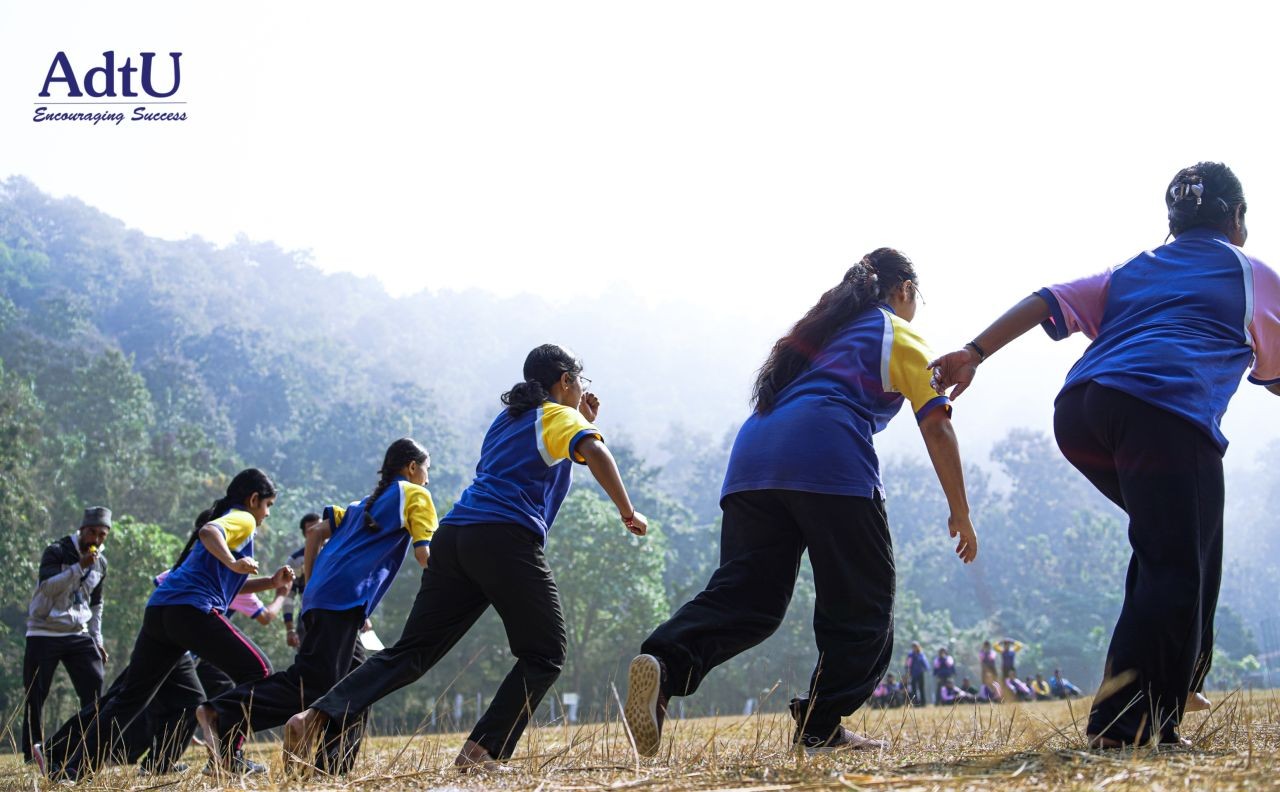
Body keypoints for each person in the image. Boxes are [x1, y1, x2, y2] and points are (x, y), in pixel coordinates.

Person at [930, 162, 1280, 746]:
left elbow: (1047, 300)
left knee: (1183, 539)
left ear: (1173, 222)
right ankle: (1127, 726)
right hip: (1163, 412)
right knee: (1174, 556)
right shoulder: (1253, 276)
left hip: (1083, 411)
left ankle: (1180, 674)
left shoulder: (1135, 270)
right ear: (1238, 219)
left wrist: (974, 351)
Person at [623, 249, 978, 757]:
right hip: (825, 453)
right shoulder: (895, 331)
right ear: (904, 291)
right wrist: (960, 510)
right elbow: (937, 422)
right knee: (863, 602)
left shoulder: (819, 336)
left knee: (751, 598)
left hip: (753, 458)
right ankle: (820, 727)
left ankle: (664, 662)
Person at [283, 345, 647, 772]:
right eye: (579, 382)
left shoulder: (505, 420)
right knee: (545, 653)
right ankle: (481, 752)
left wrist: (580, 419)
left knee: (411, 652)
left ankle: (315, 716)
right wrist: (627, 510)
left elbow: (544, 453)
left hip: (455, 538)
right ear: (565, 381)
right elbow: (595, 452)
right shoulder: (557, 416)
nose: (583, 390)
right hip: (504, 538)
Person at [199, 439, 437, 774]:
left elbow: (314, 533)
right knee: (311, 683)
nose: (428, 478)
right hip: (344, 598)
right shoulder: (417, 495)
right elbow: (427, 556)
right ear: (412, 467)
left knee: (358, 684)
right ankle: (224, 712)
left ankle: (329, 769)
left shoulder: (361, 504)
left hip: (324, 597)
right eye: (427, 469)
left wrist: (311, 587)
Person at [46, 469, 293, 781]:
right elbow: (209, 532)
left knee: (130, 698)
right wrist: (233, 561)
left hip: (162, 610)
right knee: (259, 671)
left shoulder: (233, 522)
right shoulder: (242, 518)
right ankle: (229, 755)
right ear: (253, 499)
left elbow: (226, 584)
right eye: (267, 505)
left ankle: (72, 770)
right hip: (190, 610)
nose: (267, 514)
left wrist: (271, 582)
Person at [22, 507, 111, 764]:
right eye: (92, 532)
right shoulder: (57, 551)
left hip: (78, 632)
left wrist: (97, 640)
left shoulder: (101, 563)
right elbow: (47, 588)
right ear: (82, 529)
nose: (95, 539)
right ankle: (32, 752)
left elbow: (96, 605)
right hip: (43, 630)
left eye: (102, 535)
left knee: (94, 688)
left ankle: (85, 746)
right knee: (36, 694)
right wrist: (77, 567)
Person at [281, 513, 320, 649]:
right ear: (305, 533)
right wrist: (290, 629)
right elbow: (288, 596)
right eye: (311, 528)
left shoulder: (336, 553)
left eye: (319, 526)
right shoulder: (296, 560)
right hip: (308, 616)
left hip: (339, 613)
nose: (316, 530)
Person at [905, 642, 928, 706]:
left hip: (920, 673)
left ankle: (923, 703)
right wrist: (908, 671)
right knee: (914, 689)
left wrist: (926, 669)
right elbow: (907, 664)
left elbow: (925, 663)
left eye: (916, 646)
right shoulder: (910, 655)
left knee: (921, 688)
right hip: (913, 674)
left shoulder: (921, 654)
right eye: (913, 646)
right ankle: (916, 703)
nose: (914, 648)